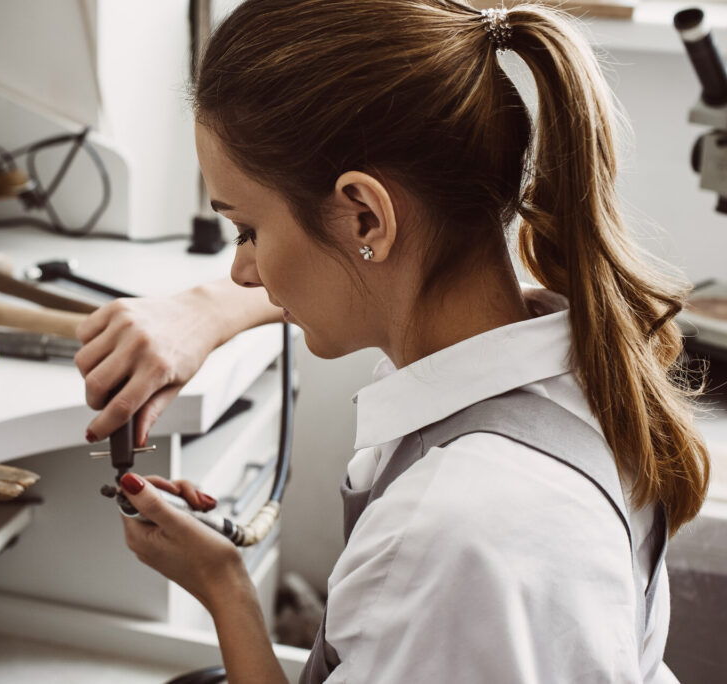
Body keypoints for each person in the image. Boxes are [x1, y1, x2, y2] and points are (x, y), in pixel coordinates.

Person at [73, 1, 711, 681]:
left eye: (248, 231)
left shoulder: (452, 533)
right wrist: (226, 576)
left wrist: (226, 592)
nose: (242, 272)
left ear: (366, 218)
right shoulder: (580, 357)